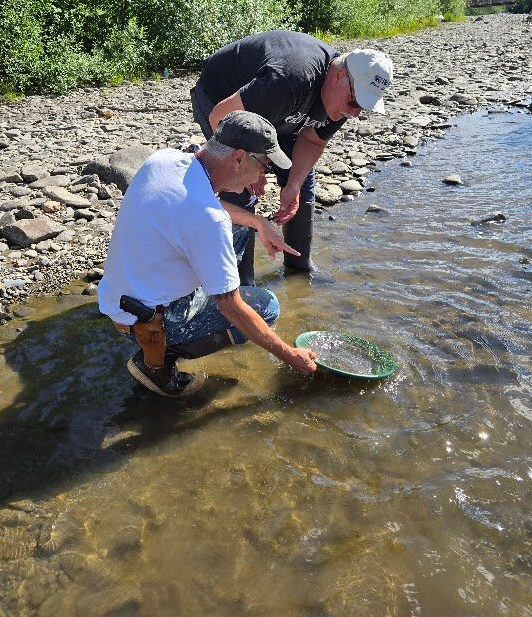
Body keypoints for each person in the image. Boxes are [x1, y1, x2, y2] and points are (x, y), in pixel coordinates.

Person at [98, 110, 318, 397]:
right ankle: (156, 364)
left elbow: (194, 206)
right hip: (146, 320)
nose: (263, 178)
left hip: (121, 295)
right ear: (239, 158)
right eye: (264, 166)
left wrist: (258, 222)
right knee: (266, 306)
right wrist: (291, 355)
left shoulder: (164, 160)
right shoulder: (208, 221)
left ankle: (216, 289)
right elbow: (231, 307)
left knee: (239, 231)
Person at [192, 30, 394, 280]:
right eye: (355, 103)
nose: (355, 114)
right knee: (240, 185)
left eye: (363, 107)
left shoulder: (342, 103)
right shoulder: (291, 78)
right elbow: (219, 117)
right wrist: (249, 167)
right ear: (339, 76)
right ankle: (240, 284)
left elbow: (312, 140)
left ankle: (299, 270)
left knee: (301, 183)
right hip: (222, 99)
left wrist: (293, 185)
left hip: (282, 112)